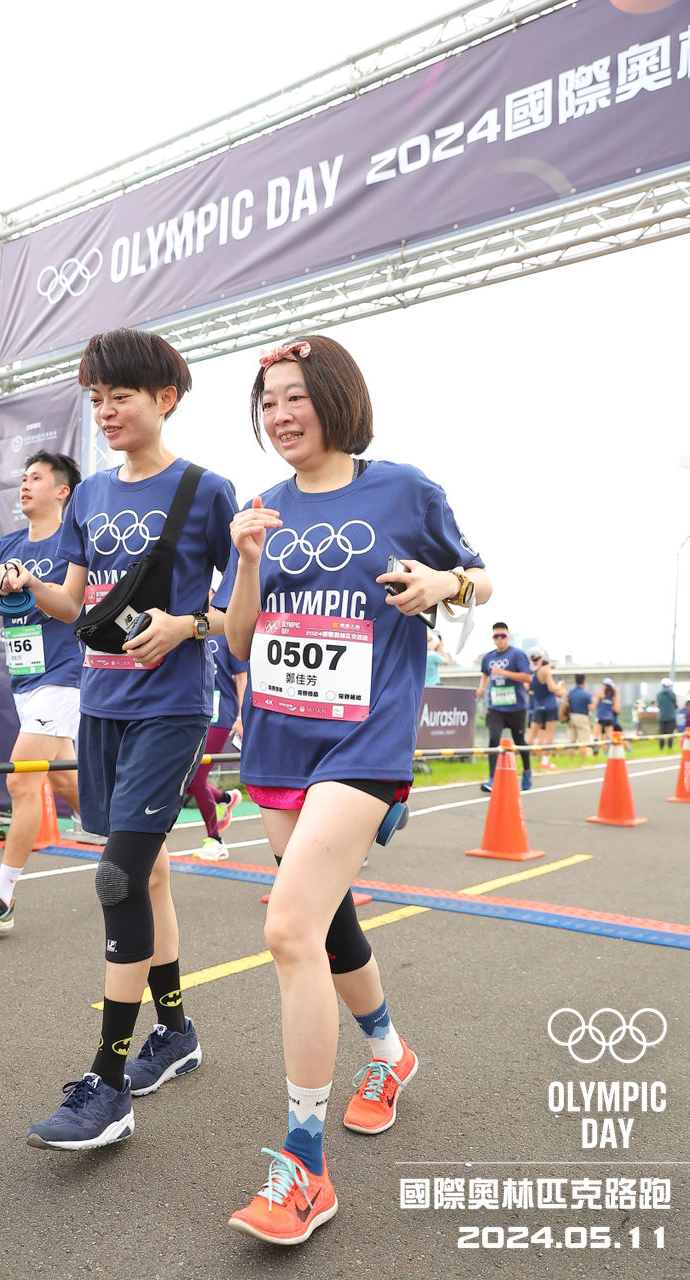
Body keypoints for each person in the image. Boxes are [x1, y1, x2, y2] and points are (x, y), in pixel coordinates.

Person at [214, 333, 491, 1245]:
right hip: (277, 742)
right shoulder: (264, 508)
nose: (280, 415)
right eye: (267, 404)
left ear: (335, 397)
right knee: (328, 923)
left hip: (363, 740)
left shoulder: (402, 489)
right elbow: (240, 643)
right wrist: (245, 559)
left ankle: (304, 1167)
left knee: (287, 928)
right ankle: (389, 1052)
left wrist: (442, 581)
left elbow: (480, 579)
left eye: (295, 396)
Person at [0, 327, 237, 1150]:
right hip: (101, 705)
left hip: (172, 707)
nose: (104, 411)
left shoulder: (206, 489)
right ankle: (177, 1033)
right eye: (96, 399)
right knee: (150, 873)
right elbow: (74, 601)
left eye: (119, 396)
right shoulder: (90, 494)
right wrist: (28, 584)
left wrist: (188, 624)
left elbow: (242, 611)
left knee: (117, 876)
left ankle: (107, 1082)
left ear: (165, 398)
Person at [0, 450, 83, 933]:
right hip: (25, 678)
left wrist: (34, 582)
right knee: (65, 781)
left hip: (65, 674)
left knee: (21, 781)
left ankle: (1, 897)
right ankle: (131, 848)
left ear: (62, 490)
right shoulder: (5, 546)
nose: (24, 485)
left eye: (36, 478)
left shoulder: (75, 541)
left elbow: (73, 606)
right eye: (23, 478)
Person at [186, 631, 247, 860]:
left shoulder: (227, 633)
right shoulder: (188, 628)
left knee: (195, 778)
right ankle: (224, 799)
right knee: (184, 778)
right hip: (191, 712)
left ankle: (216, 840)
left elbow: (242, 678)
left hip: (220, 714)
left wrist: (241, 717)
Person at [475, 624, 532, 793]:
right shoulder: (488, 657)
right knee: (493, 739)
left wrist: (504, 673)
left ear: (508, 637)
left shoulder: (517, 654)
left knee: (519, 741)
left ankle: (527, 771)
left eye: (502, 636)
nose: (499, 639)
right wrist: (481, 687)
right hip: (496, 707)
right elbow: (485, 673)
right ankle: (493, 779)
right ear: (493, 638)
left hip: (516, 707)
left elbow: (527, 677)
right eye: (496, 636)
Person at [526, 649, 566, 770]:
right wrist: (560, 686)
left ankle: (525, 760)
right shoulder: (545, 670)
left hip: (537, 706)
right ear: (541, 657)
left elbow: (527, 687)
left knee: (532, 735)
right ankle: (545, 761)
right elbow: (551, 688)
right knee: (549, 735)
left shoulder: (529, 671)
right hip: (550, 706)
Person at [566, 673, 593, 757]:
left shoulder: (571, 693)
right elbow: (591, 708)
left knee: (571, 741)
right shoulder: (586, 694)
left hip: (571, 717)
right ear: (584, 681)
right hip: (582, 717)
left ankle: (570, 759)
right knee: (583, 742)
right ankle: (583, 759)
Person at [592, 677, 621, 753]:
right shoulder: (614, 695)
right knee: (610, 736)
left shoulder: (600, 693)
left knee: (596, 735)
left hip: (600, 716)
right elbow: (617, 709)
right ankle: (611, 751)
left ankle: (596, 749)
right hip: (609, 718)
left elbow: (595, 705)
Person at [656, 677, 678, 748]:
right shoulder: (672, 694)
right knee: (670, 732)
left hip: (661, 716)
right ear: (668, 685)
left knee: (662, 732)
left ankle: (661, 746)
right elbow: (675, 705)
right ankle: (670, 746)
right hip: (671, 716)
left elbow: (658, 705)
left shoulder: (658, 694)